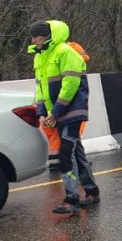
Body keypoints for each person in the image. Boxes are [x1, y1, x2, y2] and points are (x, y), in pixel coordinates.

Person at [29, 20, 99, 214]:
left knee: (66, 153)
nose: (33, 39)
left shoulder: (66, 52)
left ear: (46, 35)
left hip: (72, 110)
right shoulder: (39, 57)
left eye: (36, 36)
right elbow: (40, 88)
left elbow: (71, 85)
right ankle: (92, 191)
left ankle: (71, 198)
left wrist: (56, 111)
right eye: (32, 36)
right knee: (76, 152)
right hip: (57, 112)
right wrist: (41, 112)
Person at [41, 41, 89, 171]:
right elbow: (69, 85)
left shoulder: (50, 55)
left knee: (57, 135)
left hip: (50, 105)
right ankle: (72, 165)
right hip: (58, 106)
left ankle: (58, 162)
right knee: (70, 136)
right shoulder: (69, 51)